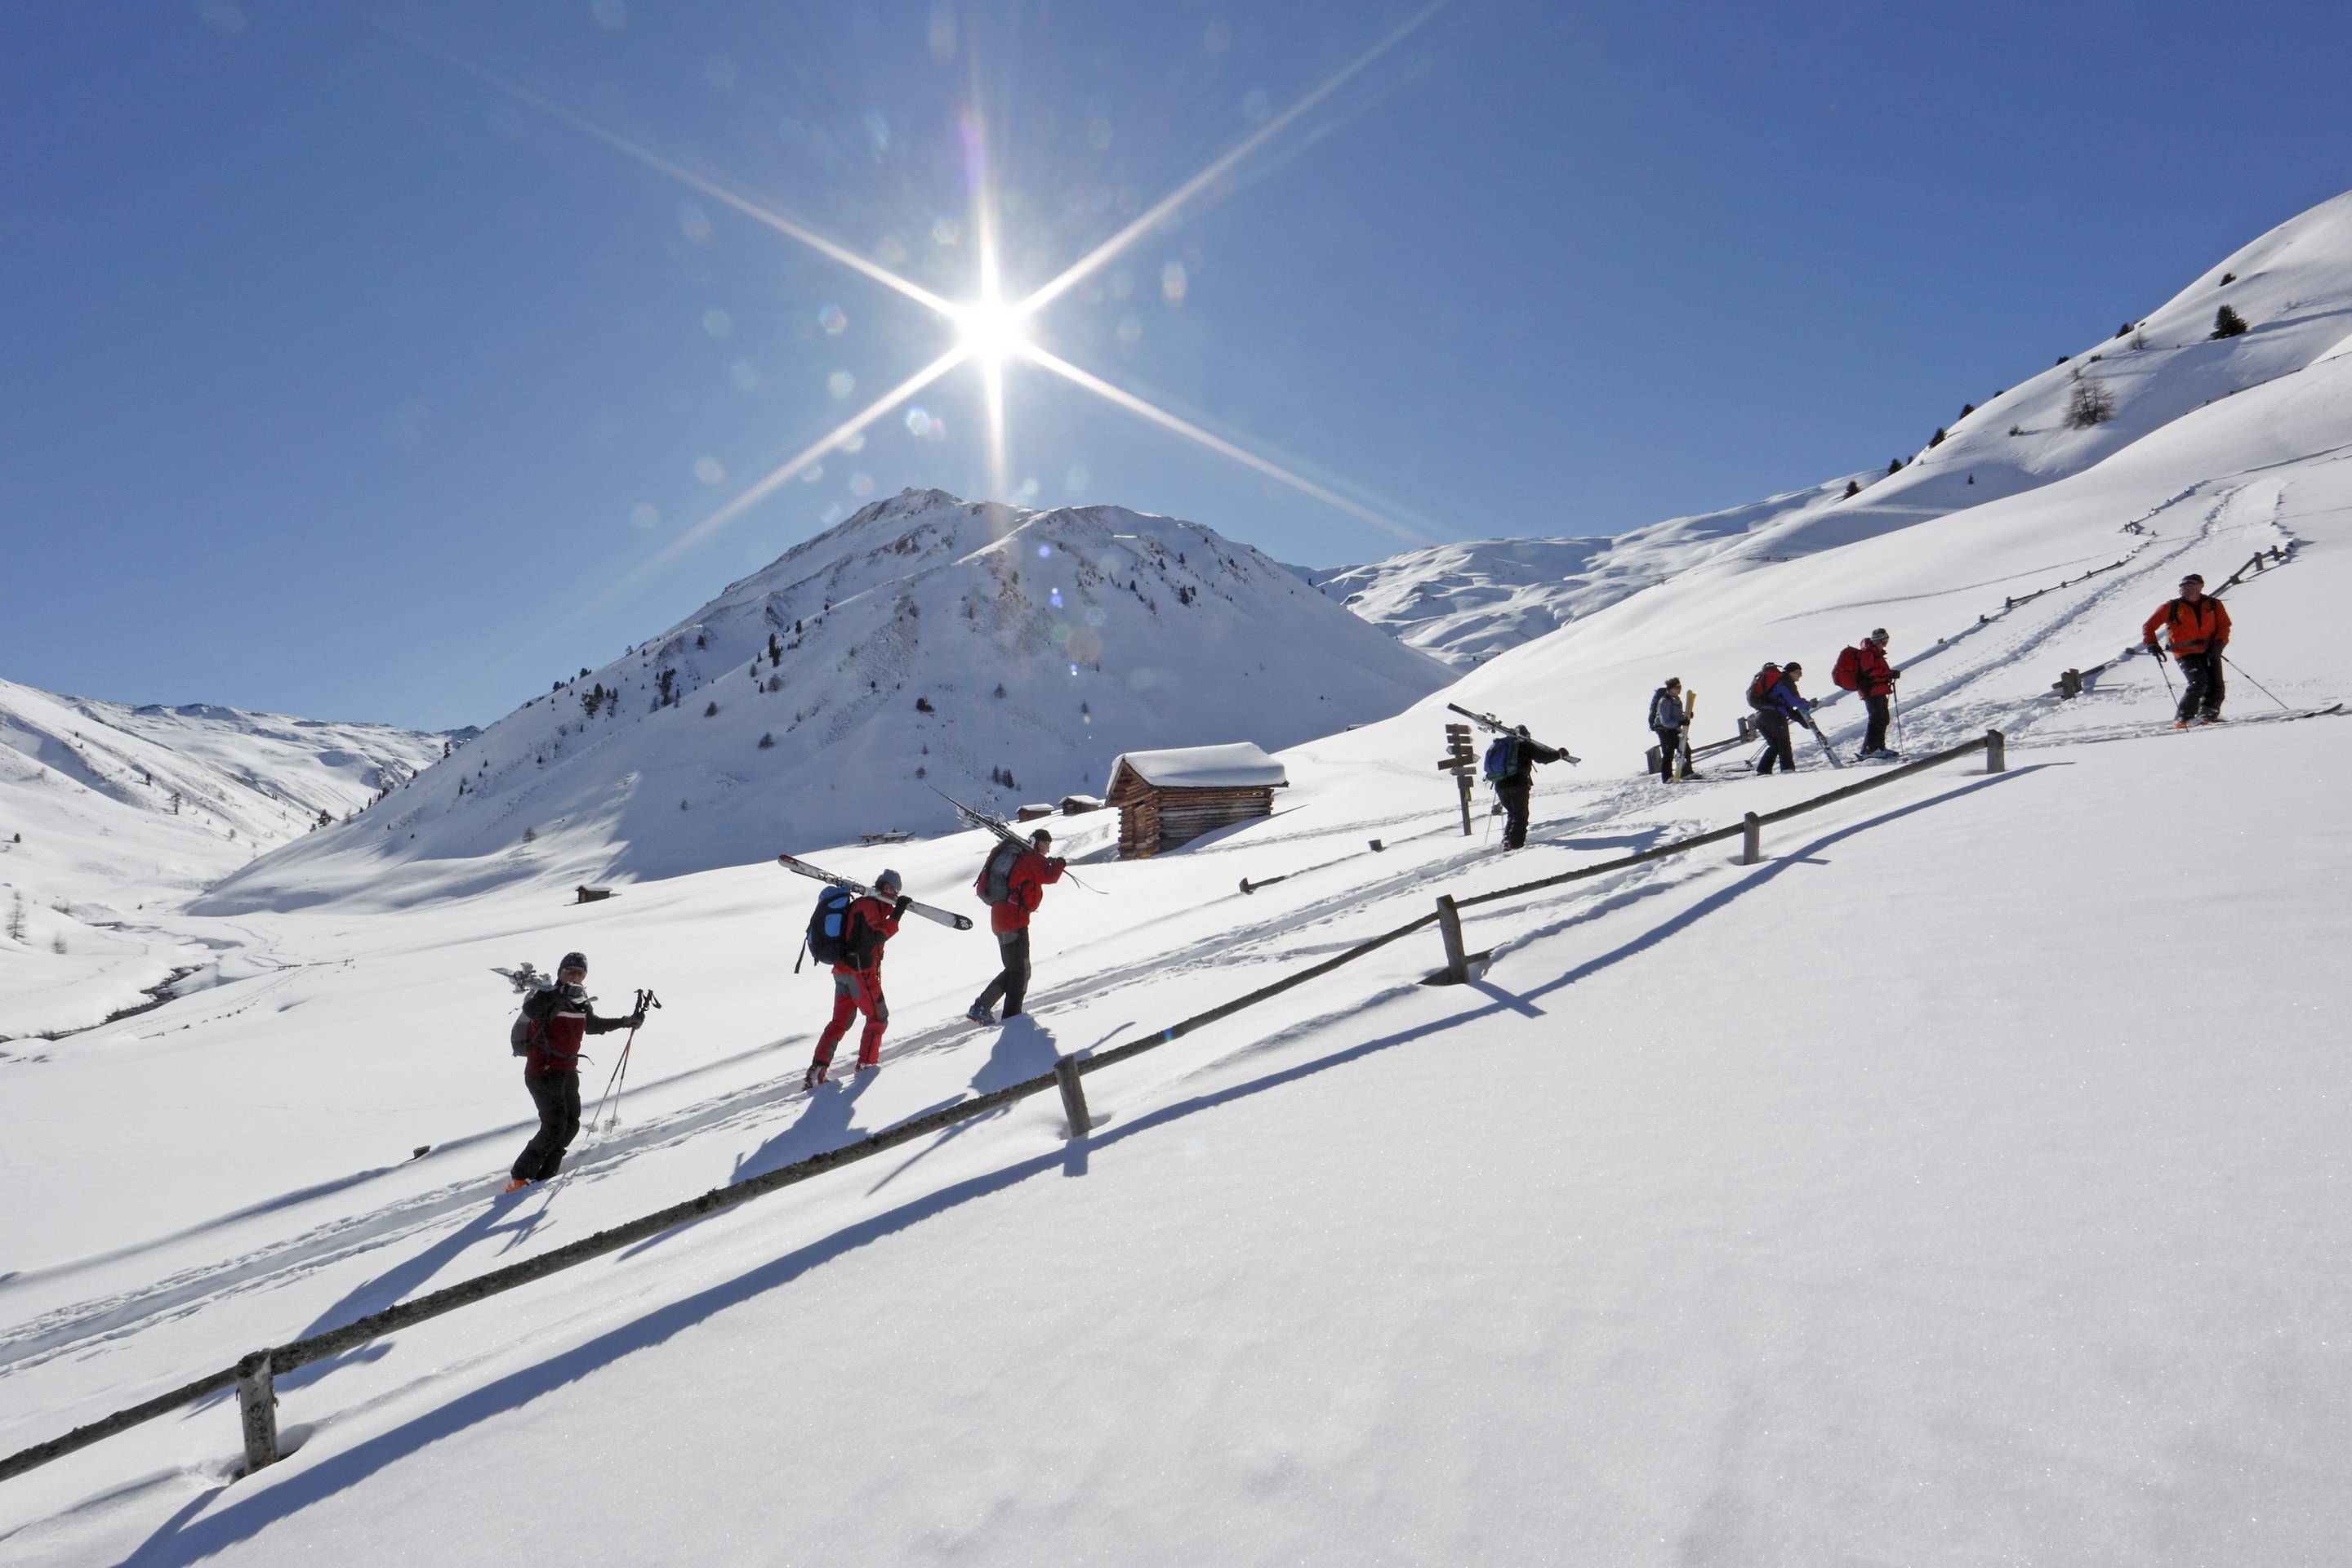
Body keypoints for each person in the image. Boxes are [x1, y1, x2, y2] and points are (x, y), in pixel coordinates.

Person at [506, 951, 644, 1192]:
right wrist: (558, 993)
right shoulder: (545, 993)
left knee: (570, 1125)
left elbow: (592, 1025)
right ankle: (520, 1178)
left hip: (568, 1071)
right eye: (569, 971)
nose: (574, 976)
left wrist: (625, 1021)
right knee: (554, 1127)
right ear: (560, 972)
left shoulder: (580, 1000)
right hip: (542, 1071)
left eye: (579, 973)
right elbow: (532, 1009)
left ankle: (545, 1176)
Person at [807, 870, 909, 1088]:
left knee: (840, 1022)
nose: (893, 894)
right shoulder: (868, 906)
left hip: (844, 972)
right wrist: (897, 916)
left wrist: (891, 913)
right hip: (859, 973)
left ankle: (817, 1070)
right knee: (878, 1018)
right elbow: (876, 936)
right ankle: (867, 1068)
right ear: (885, 887)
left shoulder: (870, 905)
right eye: (892, 890)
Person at [967, 831, 1064, 1023]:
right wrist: (1060, 863)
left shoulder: (1020, 857)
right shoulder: (1030, 858)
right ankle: (1010, 1018)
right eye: (1046, 845)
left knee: (1014, 968)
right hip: (1014, 920)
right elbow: (1050, 876)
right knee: (1020, 971)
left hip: (1001, 919)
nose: (1047, 850)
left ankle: (983, 1007)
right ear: (1038, 843)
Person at [2142, 572, 2231, 728]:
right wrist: (2151, 644)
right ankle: (2184, 718)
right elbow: (2148, 626)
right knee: (2198, 682)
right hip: (2184, 651)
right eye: (2183, 585)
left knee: (2216, 684)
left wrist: (2219, 644)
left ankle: (2208, 715)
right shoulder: (2171, 607)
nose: (2185, 588)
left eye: (2190, 584)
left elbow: (2224, 626)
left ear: (2200, 586)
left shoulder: (2214, 604)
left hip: (2210, 650)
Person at [1489, 724, 1567, 849]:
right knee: (1521, 815)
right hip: (1517, 784)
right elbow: (1544, 758)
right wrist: (1560, 754)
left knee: (1513, 813)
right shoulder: (1525, 745)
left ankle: (1507, 839)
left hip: (1500, 784)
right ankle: (1515, 844)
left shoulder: (1505, 746)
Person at [1834, 629, 1903, 759]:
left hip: (1878, 689)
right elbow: (1869, 671)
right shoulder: (1868, 653)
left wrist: (1888, 675)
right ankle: (1870, 749)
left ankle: (1879, 747)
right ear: (1879, 640)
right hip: (1871, 690)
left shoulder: (1874, 653)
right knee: (1876, 719)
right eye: (1885, 641)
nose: (1886, 644)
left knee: (1883, 718)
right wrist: (1889, 674)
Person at [1747, 661, 1819, 774]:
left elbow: (1784, 707)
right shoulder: (1784, 681)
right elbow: (1793, 700)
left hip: (1761, 716)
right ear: (1792, 672)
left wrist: (1800, 719)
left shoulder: (1774, 682)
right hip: (1773, 716)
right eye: (1799, 673)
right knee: (1784, 743)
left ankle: (1763, 770)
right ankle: (1788, 770)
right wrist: (1807, 704)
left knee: (1775, 744)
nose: (1800, 677)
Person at [1648, 678, 1687, 782]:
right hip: (1664, 729)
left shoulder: (1677, 700)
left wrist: (1684, 718)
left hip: (1673, 729)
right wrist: (1679, 723)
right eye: (1677, 687)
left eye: (1680, 687)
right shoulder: (1665, 701)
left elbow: (1676, 716)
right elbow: (1665, 721)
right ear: (1671, 689)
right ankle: (1667, 777)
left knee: (1686, 750)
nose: (1680, 689)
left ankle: (1687, 772)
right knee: (1668, 753)